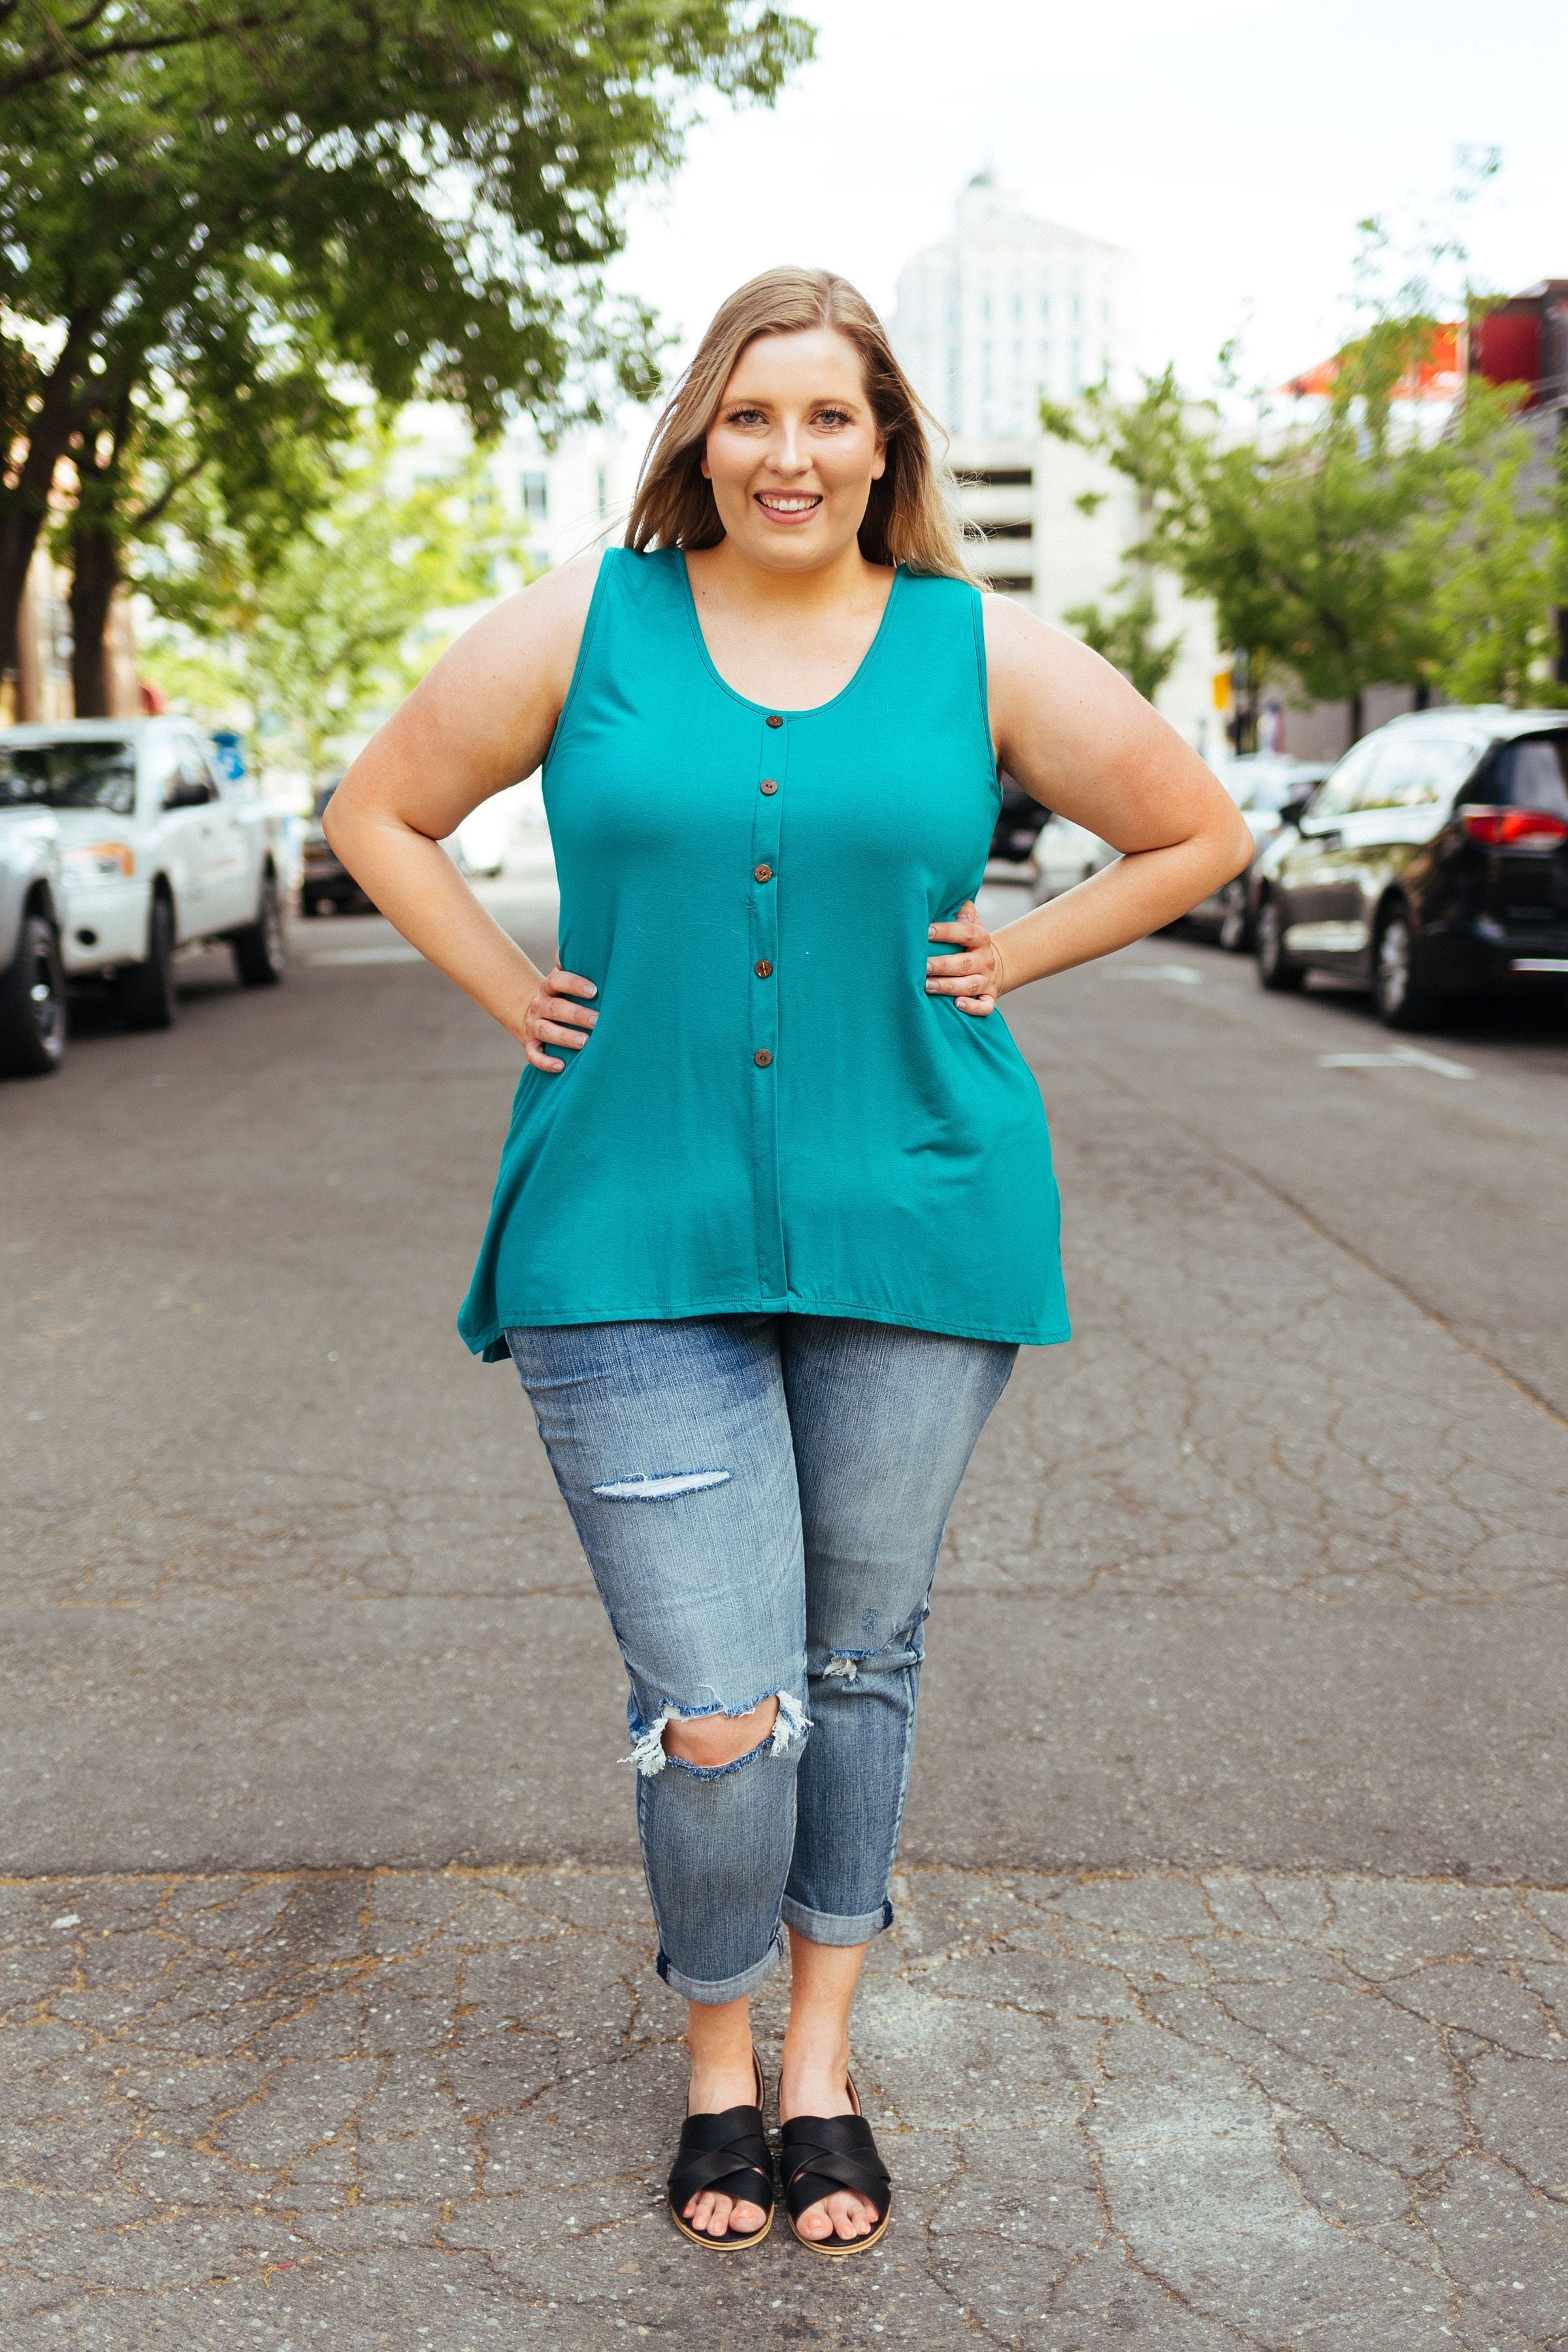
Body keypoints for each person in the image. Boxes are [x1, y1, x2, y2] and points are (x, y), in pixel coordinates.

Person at [324, 267, 1250, 2257]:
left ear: (886, 446)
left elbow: (1193, 831)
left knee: (860, 1657)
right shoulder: (598, 619)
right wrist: (511, 990)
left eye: (830, 417)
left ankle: (807, 2067)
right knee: (724, 1698)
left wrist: (1019, 950)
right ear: (699, 436)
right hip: (620, 1222)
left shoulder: (966, 643)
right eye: (753, 415)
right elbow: (380, 810)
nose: (790, 452)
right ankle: (709, 2044)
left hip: (916, 1205)